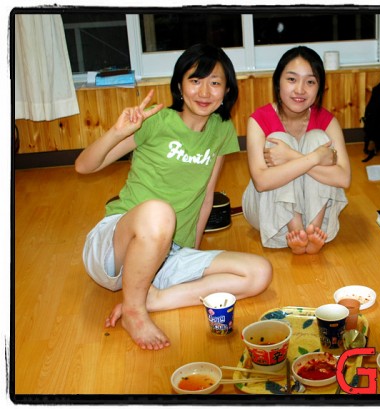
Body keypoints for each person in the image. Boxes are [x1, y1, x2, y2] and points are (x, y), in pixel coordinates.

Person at [75, 44, 273, 350]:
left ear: (227, 91)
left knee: (259, 273)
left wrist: (191, 253)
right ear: (180, 85)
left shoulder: (221, 130)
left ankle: (153, 299)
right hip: (115, 246)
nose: (204, 91)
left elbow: (206, 197)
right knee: (159, 212)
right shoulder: (155, 120)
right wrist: (117, 132)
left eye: (215, 82)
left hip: (167, 256)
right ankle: (134, 311)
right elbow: (84, 166)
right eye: (195, 80)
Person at [242, 46, 351, 255]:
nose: (300, 90)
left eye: (310, 82)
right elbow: (261, 182)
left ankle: (313, 231)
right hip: (265, 208)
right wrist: (316, 157)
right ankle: (296, 229)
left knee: (317, 137)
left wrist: (292, 156)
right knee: (279, 140)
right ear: (278, 82)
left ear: (319, 88)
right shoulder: (259, 119)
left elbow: (344, 178)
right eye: (292, 79)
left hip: (314, 208)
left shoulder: (327, 121)